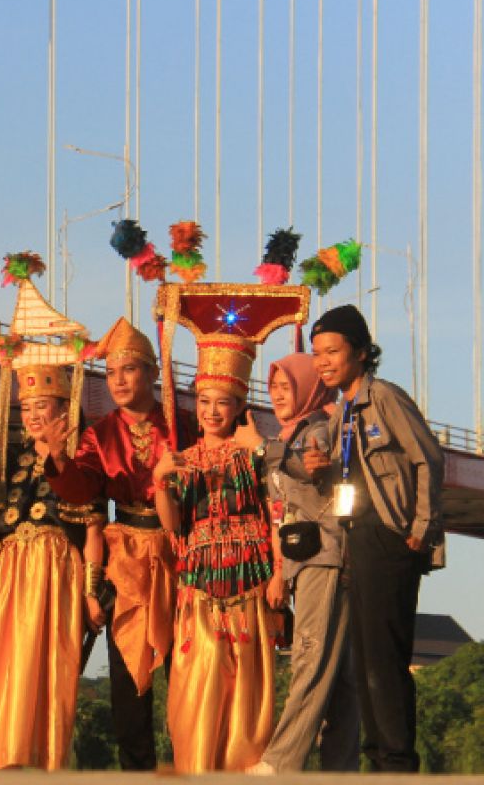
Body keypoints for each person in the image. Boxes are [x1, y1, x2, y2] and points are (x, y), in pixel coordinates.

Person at [150, 283, 299, 773]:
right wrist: (160, 483)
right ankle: (195, 769)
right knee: (196, 687)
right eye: (206, 401)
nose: (212, 411)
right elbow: (175, 529)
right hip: (199, 582)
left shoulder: (253, 451)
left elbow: (276, 510)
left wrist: (280, 573)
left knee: (247, 694)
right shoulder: (184, 459)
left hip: (252, 580)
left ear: (238, 405)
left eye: (223, 402)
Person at [43, 316, 194, 770]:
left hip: (182, 552)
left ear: (152, 371)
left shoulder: (185, 424)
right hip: (126, 557)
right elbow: (81, 490)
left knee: (189, 676)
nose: (119, 381)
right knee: (130, 681)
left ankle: (196, 766)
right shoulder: (99, 433)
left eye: (128, 370)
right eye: (110, 373)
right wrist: (57, 459)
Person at [305, 303, 444, 772]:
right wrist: (322, 473)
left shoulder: (384, 397)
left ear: (361, 353)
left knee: (384, 658)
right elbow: (352, 483)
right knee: (365, 660)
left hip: (390, 537)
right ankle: (379, 760)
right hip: (357, 540)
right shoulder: (343, 412)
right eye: (317, 353)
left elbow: (430, 458)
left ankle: (397, 763)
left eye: (332, 351)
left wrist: (422, 529)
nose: (323, 361)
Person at [0, 351, 100, 772]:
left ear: (65, 408)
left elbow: (93, 527)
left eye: (44, 405)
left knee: (46, 667)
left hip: (54, 569)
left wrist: (92, 592)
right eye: (27, 407)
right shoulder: (12, 457)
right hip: (9, 572)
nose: (34, 414)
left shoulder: (83, 458)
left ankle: (41, 760)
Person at [247, 352, 359, 774]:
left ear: (309, 388)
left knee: (310, 656)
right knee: (340, 670)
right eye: (273, 387)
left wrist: (260, 447)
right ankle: (341, 767)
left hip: (326, 556)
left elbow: (313, 478)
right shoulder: (293, 433)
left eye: (287, 386)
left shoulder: (319, 429)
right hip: (313, 557)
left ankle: (281, 761)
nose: (276, 395)